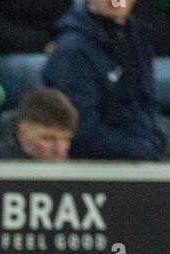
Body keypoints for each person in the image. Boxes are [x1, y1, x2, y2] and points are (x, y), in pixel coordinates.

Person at [42, 0, 167, 160]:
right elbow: (81, 132)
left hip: (142, 148)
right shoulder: (72, 50)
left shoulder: (138, 37)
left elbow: (147, 102)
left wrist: (154, 139)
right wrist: (142, 148)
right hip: (99, 166)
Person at [3, 86, 77, 160]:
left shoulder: (70, 168)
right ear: (21, 133)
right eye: (48, 138)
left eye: (66, 139)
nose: (59, 150)